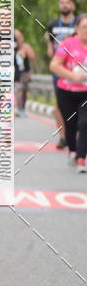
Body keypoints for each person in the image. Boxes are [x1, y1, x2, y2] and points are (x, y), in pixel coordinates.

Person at [49, 13, 87, 172]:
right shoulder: (67, 44)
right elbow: (54, 65)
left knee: (84, 123)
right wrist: (73, 76)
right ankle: (72, 149)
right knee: (70, 126)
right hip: (66, 91)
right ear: (77, 28)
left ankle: (80, 158)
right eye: (84, 27)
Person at [46, 0, 78, 149]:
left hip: (78, 69)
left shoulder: (79, 24)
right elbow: (50, 47)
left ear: (73, 5)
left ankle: (77, 134)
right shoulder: (53, 25)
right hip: (59, 69)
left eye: (67, 2)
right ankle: (63, 136)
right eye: (62, 2)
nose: (64, 5)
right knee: (59, 104)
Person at [13, 29, 35, 116]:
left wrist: (25, 52)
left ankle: (22, 107)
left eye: (19, 37)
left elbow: (32, 58)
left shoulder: (26, 46)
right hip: (14, 73)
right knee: (18, 90)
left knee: (24, 91)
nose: (17, 39)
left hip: (24, 73)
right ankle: (17, 108)